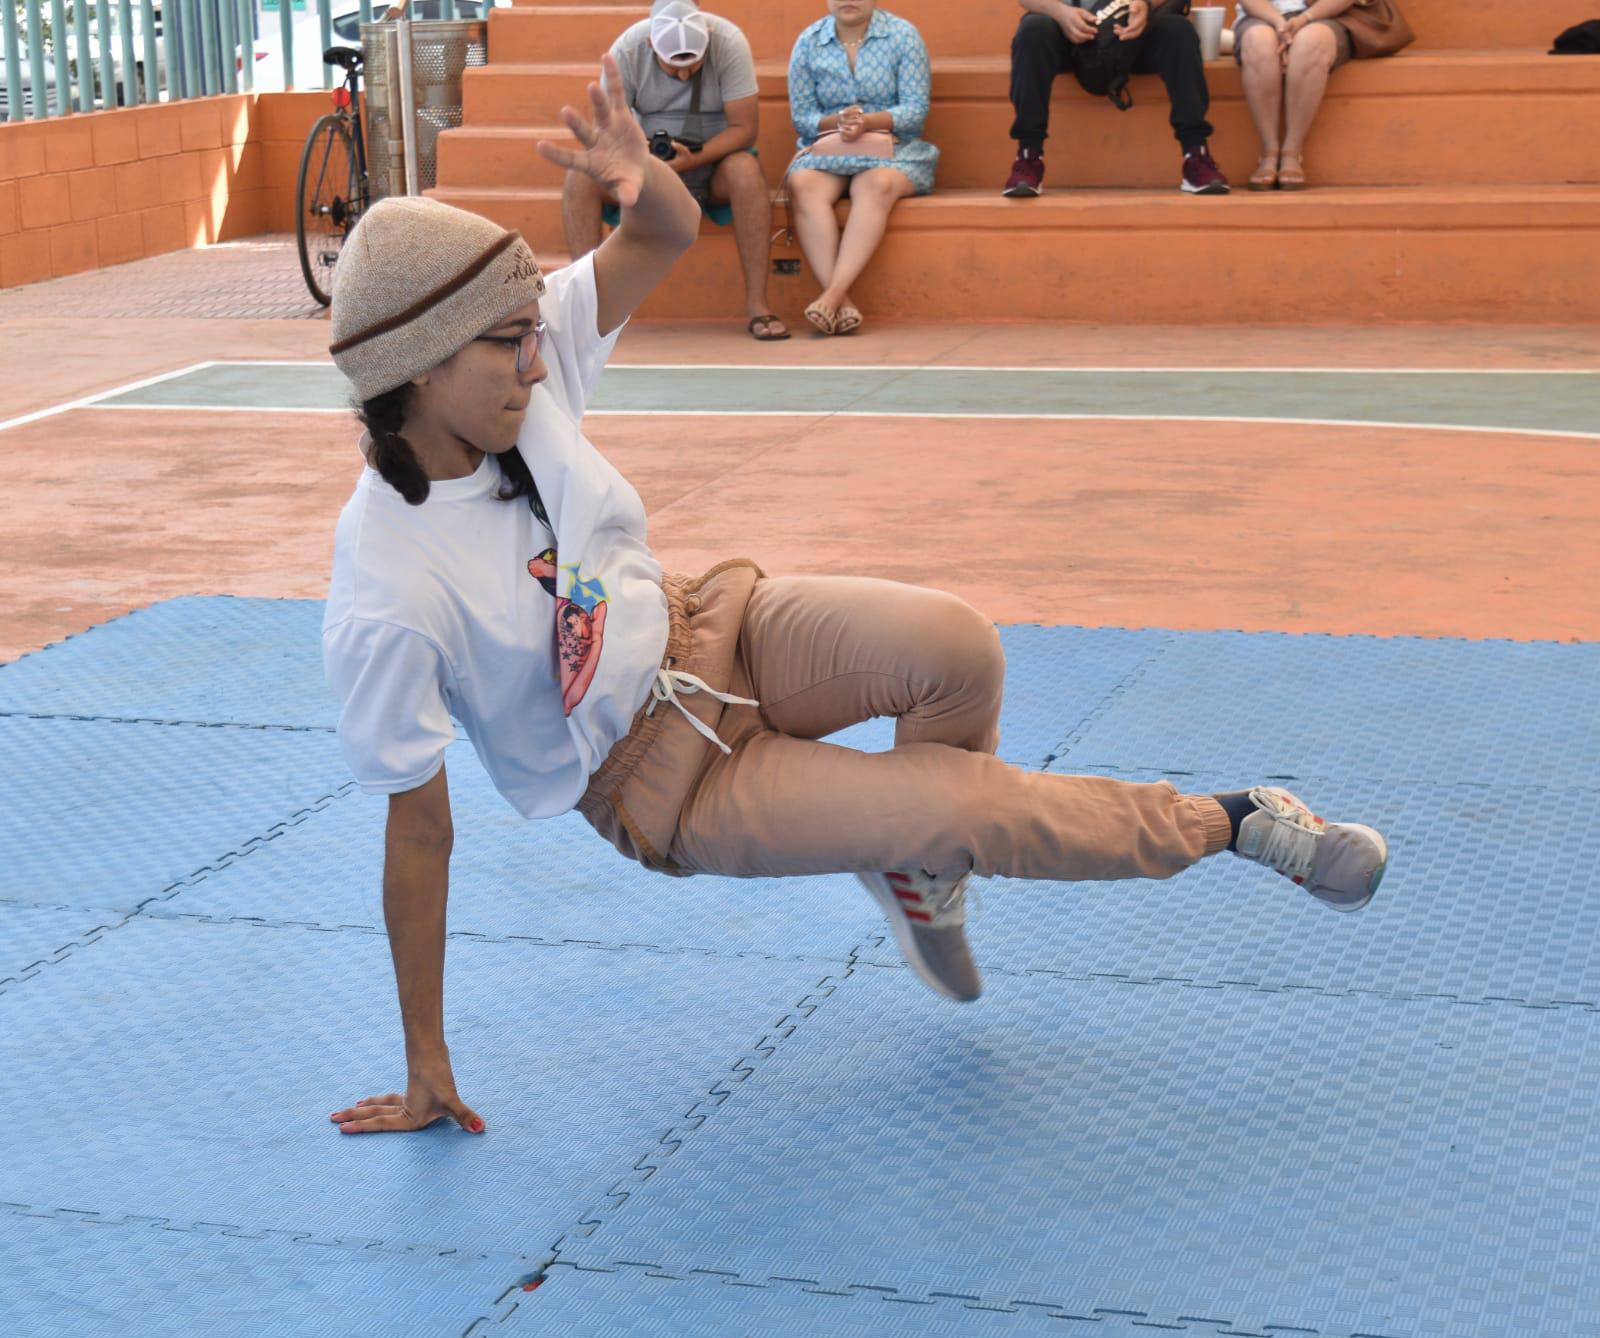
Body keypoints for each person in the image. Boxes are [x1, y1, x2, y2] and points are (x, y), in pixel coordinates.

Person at [320, 54, 1388, 1137]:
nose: (537, 364)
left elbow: (661, 236)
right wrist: (426, 1061)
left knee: (956, 648)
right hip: (664, 783)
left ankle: (920, 876)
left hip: (710, 626)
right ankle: (1235, 822)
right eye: (508, 347)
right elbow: (419, 835)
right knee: (964, 804)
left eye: (531, 336)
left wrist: (641, 176)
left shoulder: (510, 358)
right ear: (417, 367)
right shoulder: (387, 585)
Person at [562, 0, 790, 341]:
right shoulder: (626, 50)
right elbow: (608, 134)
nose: (683, 75)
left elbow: (745, 129)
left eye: (692, 65)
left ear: (708, 39)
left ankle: (758, 305)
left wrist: (694, 159)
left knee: (746, 171)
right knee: (579, 176)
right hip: (644, 167)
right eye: (673, 68)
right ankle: (587, 310)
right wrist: (645, 161)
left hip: (713, 163)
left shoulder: (729, 41)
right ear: (652, 45)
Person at [784, 0, 937, 336]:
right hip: (831, 148)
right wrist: (836, 123)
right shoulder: (808, 42)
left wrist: (868, 122)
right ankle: (842, 300)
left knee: (875, 184)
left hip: (895, 149)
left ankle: (832, 295)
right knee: (802, 184)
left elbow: (915, 110)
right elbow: (803, 118)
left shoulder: (903, 36)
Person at [1005, 0, 1230, 196]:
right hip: (1067, 32)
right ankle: (1028, 156)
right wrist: (1061, 13)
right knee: (1032, 29)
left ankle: (1196, 154)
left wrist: (1146, 5)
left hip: (1134, 34)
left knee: (1179, 30)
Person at [1234, 0, 1357, 189]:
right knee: (1258, 39)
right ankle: (1269, 152)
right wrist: (1280, 25)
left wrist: (1303, 19)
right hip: (1262, 16)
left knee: (1311, 40)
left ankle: (1292, 151)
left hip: (1327, 15)